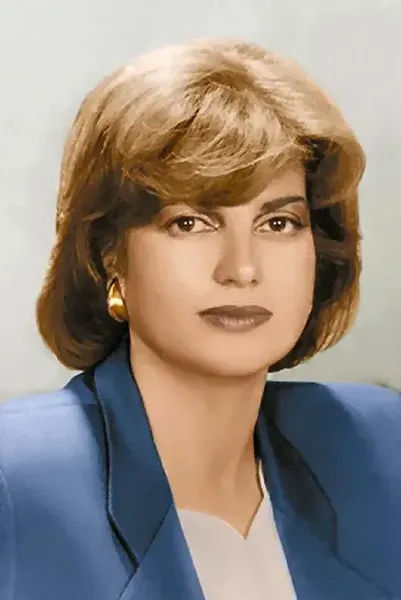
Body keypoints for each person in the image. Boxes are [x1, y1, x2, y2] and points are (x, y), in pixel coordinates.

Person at [0, 38, 400, 600]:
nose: (241, 269)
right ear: (110, 254)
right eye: (189, 223)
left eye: (279, 223)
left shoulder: (377, 443)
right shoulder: (16, 479)